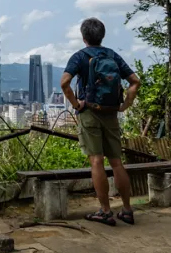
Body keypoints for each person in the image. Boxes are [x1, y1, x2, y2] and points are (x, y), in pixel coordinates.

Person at [60, 18, 141, 226]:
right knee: (116, 161)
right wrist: (126, 105)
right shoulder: (112, 55)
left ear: (83, 36)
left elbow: (64, 82)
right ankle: (127, 209)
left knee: (96, 161)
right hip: (111, 113)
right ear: (102, 35)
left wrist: (76, 104)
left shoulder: (80, 56)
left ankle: (105, 211)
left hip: (89, 112)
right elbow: (135, 81)